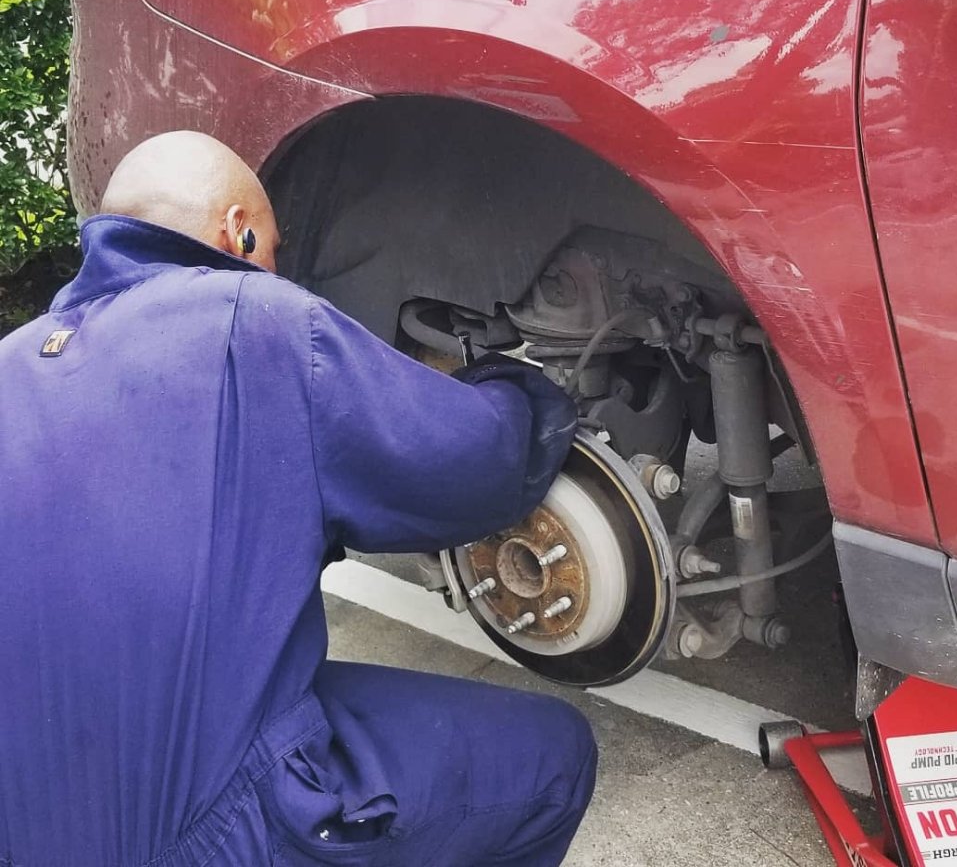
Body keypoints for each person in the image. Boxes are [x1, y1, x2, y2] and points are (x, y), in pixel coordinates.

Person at [0, 131, 597, 867]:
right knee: (555, 759)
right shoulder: (255, 319)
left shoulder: (12, 364)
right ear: (238, 232)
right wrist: (516, 386)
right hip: (201, 835)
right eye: (274, 247)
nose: (279, 269)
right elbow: (470, 464)